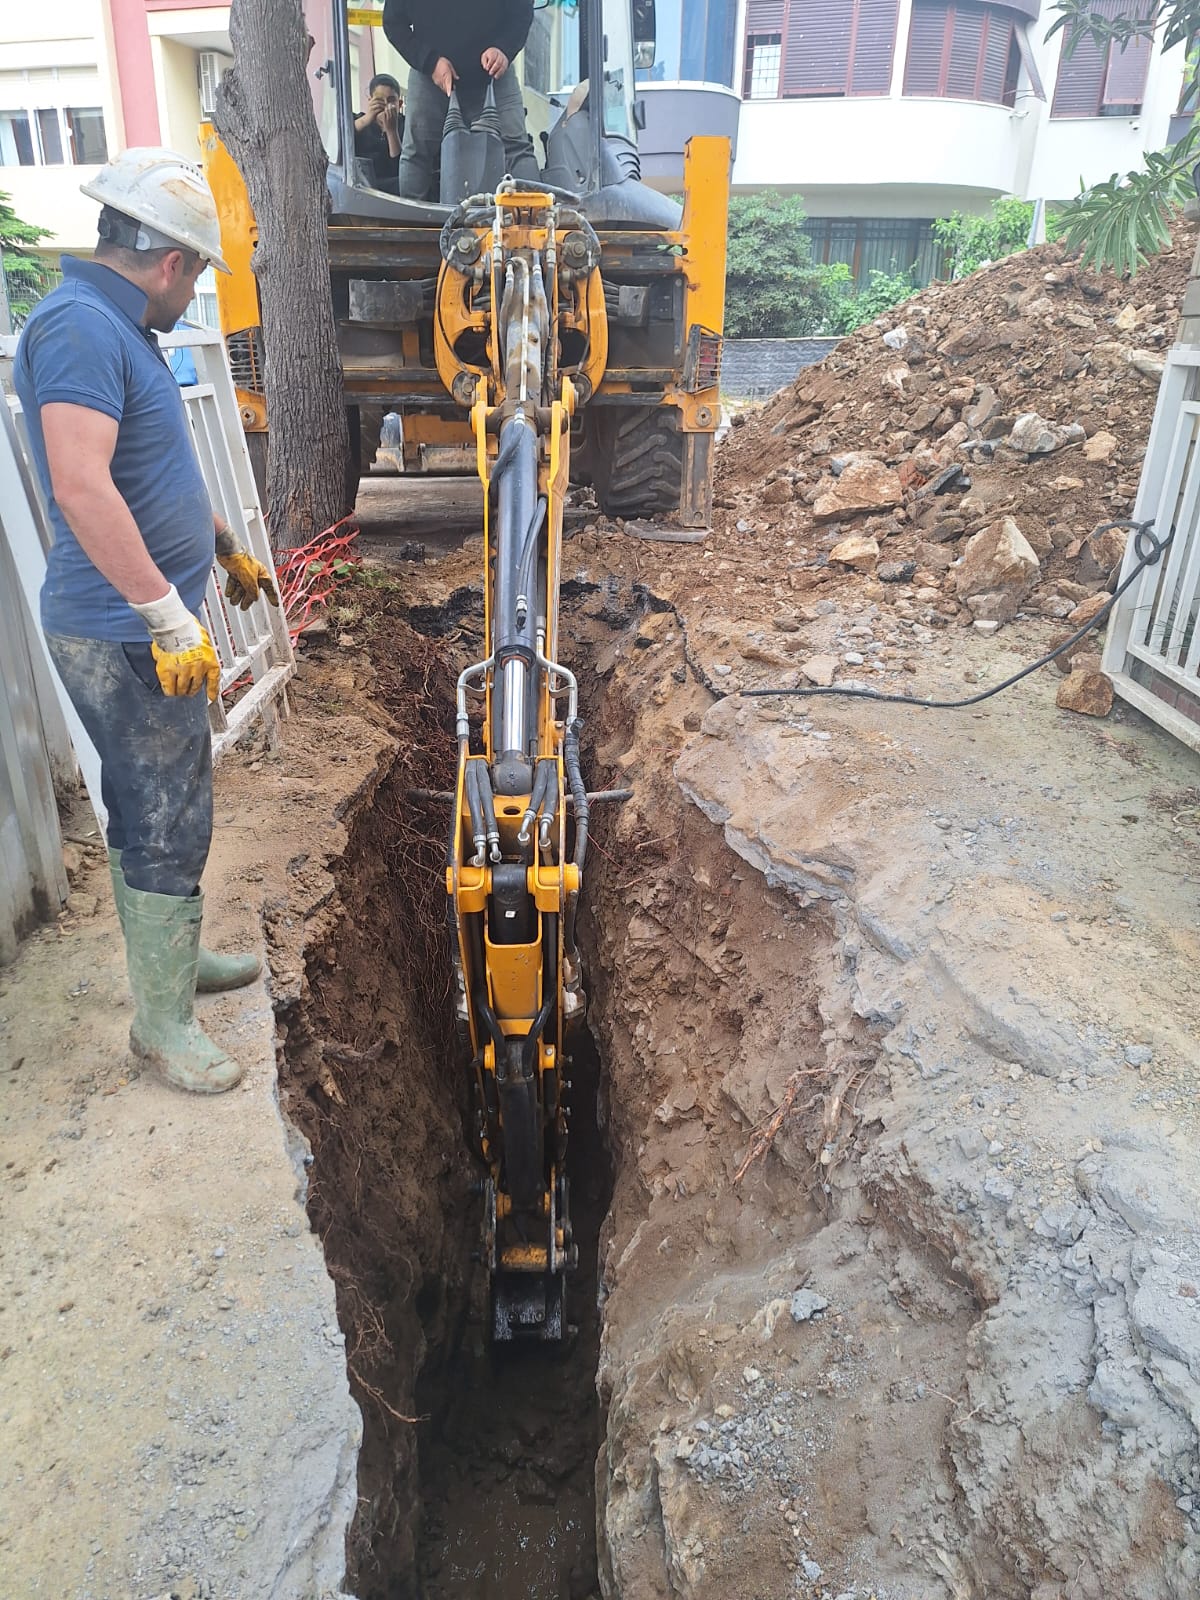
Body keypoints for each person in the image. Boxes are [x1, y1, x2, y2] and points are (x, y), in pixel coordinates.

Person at [13, 147, 280, 1097]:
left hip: (137, 623)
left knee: (154, 801)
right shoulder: (82, 329)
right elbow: (83, 487)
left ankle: (175, 964)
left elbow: (146, 470)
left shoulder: (119, 329)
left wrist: (219, 547)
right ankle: (162, 1027)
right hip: (120, 631)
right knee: (166, 812)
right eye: (199, 269)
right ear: (170, 261)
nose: (195, 286)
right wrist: (167, 616)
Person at [382, 0, 539, 200]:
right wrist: (430, 62)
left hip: (495, 72)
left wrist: (504, 49)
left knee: (516, 147)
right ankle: (414, 228)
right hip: (431, 75)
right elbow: (393, 23)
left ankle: (537, 219)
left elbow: (522, 11)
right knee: (417, 152)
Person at [354, 71, 405, 194]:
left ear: (399, 104)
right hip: (362, 186)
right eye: (379, 100)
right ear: (370, 101)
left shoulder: (407, 126)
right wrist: (367, 119)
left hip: (395, 188)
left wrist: (392, 131)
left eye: (391, 100)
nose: (385, 105)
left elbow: (402, 168)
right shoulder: (359, 121)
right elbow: (339, 140)